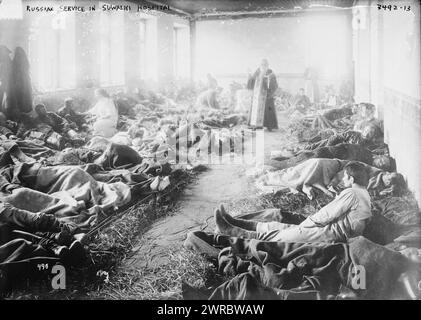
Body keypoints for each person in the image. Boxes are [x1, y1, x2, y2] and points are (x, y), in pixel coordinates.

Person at [215, 161, 372, 243]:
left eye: (345, 177)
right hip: (332, 231)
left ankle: (232, 231)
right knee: (280, 227)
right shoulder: (364, 194)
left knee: (281, 235)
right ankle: (236, 222)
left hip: (332, 235)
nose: (343, 179)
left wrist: (304, 225)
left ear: (351, 179)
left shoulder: (352, 193)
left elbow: (326, 215)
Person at [247, 59, 278, 131]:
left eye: (265, 64)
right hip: (257, 95)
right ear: (260, 65)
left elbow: (274, 84)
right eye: (262, 64)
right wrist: (249, 75)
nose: (263, 66)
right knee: (255, 109)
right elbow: (252, 81)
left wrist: (269, 80)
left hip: (267, 95)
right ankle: (255, 125)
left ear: (267, 65)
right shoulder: (257, 71)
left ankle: (270, 126)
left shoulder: (270, 72)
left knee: (268, 109)